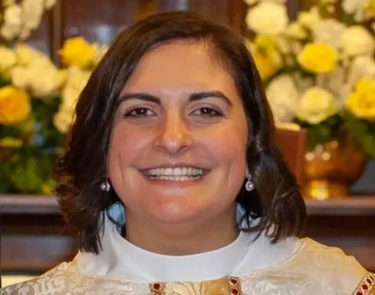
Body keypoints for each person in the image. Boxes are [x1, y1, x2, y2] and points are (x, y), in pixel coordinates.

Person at [2, 11, 374, 295]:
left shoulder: (341, 287)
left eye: (206, 111)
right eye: (140, 111)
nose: (173, 138)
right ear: (101, 145)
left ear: (253, 140)